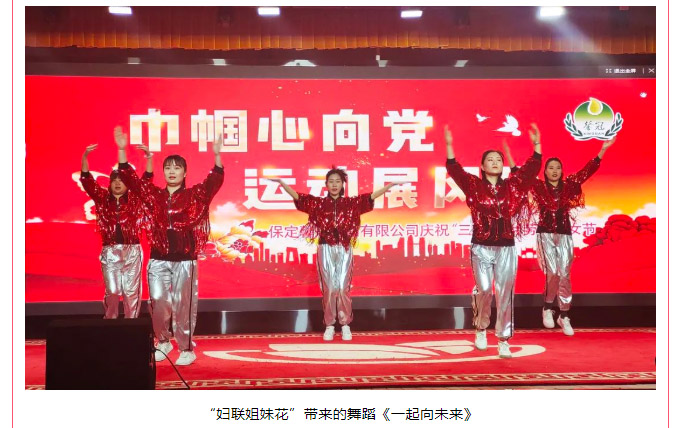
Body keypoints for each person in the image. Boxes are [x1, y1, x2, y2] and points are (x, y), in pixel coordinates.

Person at [115, 126, 224, 366]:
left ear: (185, 172)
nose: (172, 171)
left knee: (184, 306)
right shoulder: (154, 195)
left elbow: (214, 181)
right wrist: (122, 151)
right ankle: (163, 341)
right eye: (168, 168)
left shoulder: (195, 195)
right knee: (158, 302)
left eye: (177, 168)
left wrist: (217, 156)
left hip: (185, 261)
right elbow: (131, 181)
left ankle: (186, 348)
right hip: (158, 259)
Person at [445, 124, 542, 358]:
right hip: (481, 247)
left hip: (506, 248)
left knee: (505, 293)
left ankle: (503, 339)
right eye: (490, 159)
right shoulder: (473, 185)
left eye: (499, 159)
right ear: (482, 166)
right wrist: (449, 146)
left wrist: (537, 146)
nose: (495, 162)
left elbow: (531, 170)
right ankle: (481, 328)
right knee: (485, 289)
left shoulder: (512, 186)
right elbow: (454, 169)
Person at [270, 168, 402, 341]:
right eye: (331, 181)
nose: (334, 185)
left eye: (337, 181)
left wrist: (389, 186)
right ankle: (330, 325)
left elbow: (370, 197)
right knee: (329, 289)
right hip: (325, 248)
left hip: (345, 248)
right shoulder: (318, 203)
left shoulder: (351, 203)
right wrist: (282, 183)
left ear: (342, 184)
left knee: (342, 288)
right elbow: (298, 197)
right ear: (326, 184)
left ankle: (345, 324)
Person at [507, 137, 616, 336]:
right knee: (552, 272)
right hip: (545, 234)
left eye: (558, 167)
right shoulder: (538, 186)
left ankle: (564, 315)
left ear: (562, 171)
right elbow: (521, 176)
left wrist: (602, 150)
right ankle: (548, 307)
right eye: (551, 168)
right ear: (545, 171)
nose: (554, 170)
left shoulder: (569, 185)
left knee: (565, 274)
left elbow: (587, 171)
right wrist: (510, 158)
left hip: (565, 235)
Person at [79, 142, 153, 319]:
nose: (118, 183)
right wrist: (85, 157)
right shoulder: (102, 198)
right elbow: (87, 181)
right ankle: (110, 323)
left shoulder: (135, 199)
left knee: (131, 292)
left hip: (132, 250)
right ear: (110, 183)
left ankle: (131, 325)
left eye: (122, 180)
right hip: (110, 251)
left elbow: (146, 180)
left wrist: (149, 158)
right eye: (114, 180)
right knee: (112, 291)